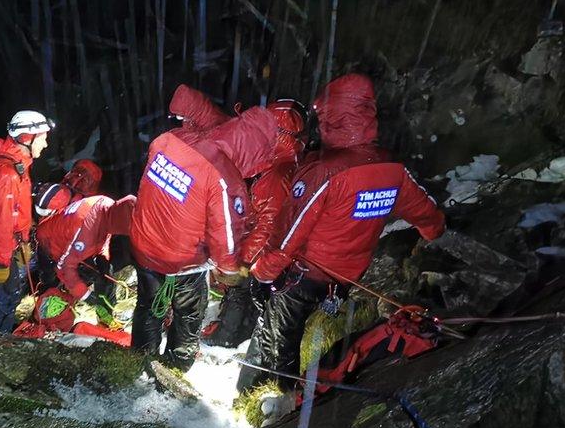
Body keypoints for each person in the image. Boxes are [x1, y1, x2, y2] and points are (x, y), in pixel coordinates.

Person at [244, 73, 446, 392]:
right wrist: (433, 230)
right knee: (299, 327)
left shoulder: (324, 172)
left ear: (331, 116)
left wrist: (263, 274)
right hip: (347, 275)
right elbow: (428, 215)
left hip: (306, 273)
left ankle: (279, 395)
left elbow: (288, 234)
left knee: (283, 332)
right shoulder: (391, 168)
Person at [130, 88, 295, 371]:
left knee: (148, 305)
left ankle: (137, 363)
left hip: (144, 247)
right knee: (189, 313)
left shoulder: (169, 140)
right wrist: (233, 269)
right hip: (182, 264)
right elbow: (224, 239)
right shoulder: (224, 177)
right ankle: (175, 368)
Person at [203, 99, 307, 348]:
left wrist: (243, 259)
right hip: (272, 251)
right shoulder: (281, 165)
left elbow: (267, 226)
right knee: (250, 292)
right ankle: (239, 329)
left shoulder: (278, 175)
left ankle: (227, 337)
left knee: (241, 288)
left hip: (265, 253)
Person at [0, 110, 53, 332]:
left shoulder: (15, 164)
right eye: (43, 137)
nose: (45, 144)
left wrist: (25, 240)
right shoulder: (7, 174)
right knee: (8, 298)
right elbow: (1, 223)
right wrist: (2, 262)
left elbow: (16, 211)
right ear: (27, 138)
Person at [33, 182, 136, 328]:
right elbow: (64, 268)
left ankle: (104, 316)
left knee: (106, 275)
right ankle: (40, 325)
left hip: (71, 241)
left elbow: (105, 234)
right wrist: (86, 295)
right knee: (52, 290)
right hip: (50, 246)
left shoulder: (107, 203)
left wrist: (102, 257)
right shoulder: (86, 229)